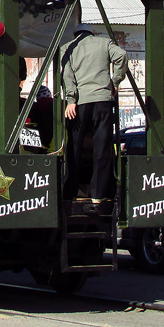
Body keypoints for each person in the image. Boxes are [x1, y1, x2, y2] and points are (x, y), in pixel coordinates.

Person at [61, 24, 128, 206]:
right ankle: (98, 194)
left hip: (80, 102)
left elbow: (67, 75)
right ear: (93, 33)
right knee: (102, 146)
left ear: (76, 34)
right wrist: (115, 82)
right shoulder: (104, 43)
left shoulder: (68, 48)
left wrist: (70, 100)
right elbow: (121, 55)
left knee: (74, 147)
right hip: (103, 100)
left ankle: (69, 192)